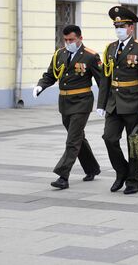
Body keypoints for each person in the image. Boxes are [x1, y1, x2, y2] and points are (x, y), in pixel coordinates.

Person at [33, 25, 102, 190]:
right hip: (64, 102)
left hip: (82, 102)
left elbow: (103, 81)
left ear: (80, 38)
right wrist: (40, 86)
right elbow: (50, 75)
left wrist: (104, 104)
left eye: (71, 39)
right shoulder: (60, 54)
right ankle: (92, 168)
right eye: (66, 40)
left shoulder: (91, 56)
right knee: (78, 138)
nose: (68, 42)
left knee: (72, 140)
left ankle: (63, 176)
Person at [96, 6, 138, 195]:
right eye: (116, 26)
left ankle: (132, 180)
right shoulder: (110, 48)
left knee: (133, 143)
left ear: (131, 28)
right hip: (113, 104)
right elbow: (106, 78)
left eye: (122, 26)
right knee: (109, 138)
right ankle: (121, 172)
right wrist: (101, 104)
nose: (118, 29)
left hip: (133, 103)